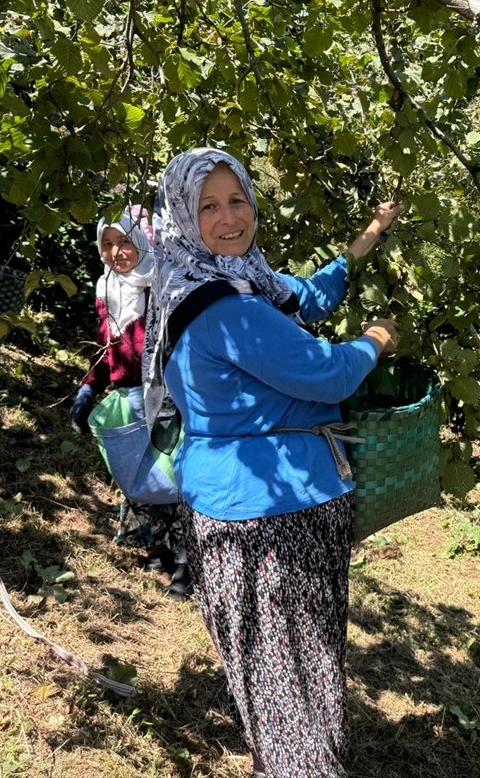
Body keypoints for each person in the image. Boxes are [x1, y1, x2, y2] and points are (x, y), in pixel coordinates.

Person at [143, 147, 401, 777]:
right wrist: (376, 340)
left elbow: (305, 297)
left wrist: (369, 237)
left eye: (238, 200)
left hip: (229, 506)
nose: (229, 217)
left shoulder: (223, 282)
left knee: (273, 675)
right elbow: (327, 373)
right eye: (208, 206)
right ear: (181, 215)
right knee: (297, 678)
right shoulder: (227, 310)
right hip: (277, 515)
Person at [70, 205, 192, 598]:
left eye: (124, 241)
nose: (115, 251)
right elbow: (109, 350)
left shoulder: (162, 286)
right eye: (107, 243)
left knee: (173, 482)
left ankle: (187, 567)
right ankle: (156, 549)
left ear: (143, 240)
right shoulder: (107, 288)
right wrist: (89, 386)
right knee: (141, 478)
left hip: (167, 399)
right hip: (129, 397)